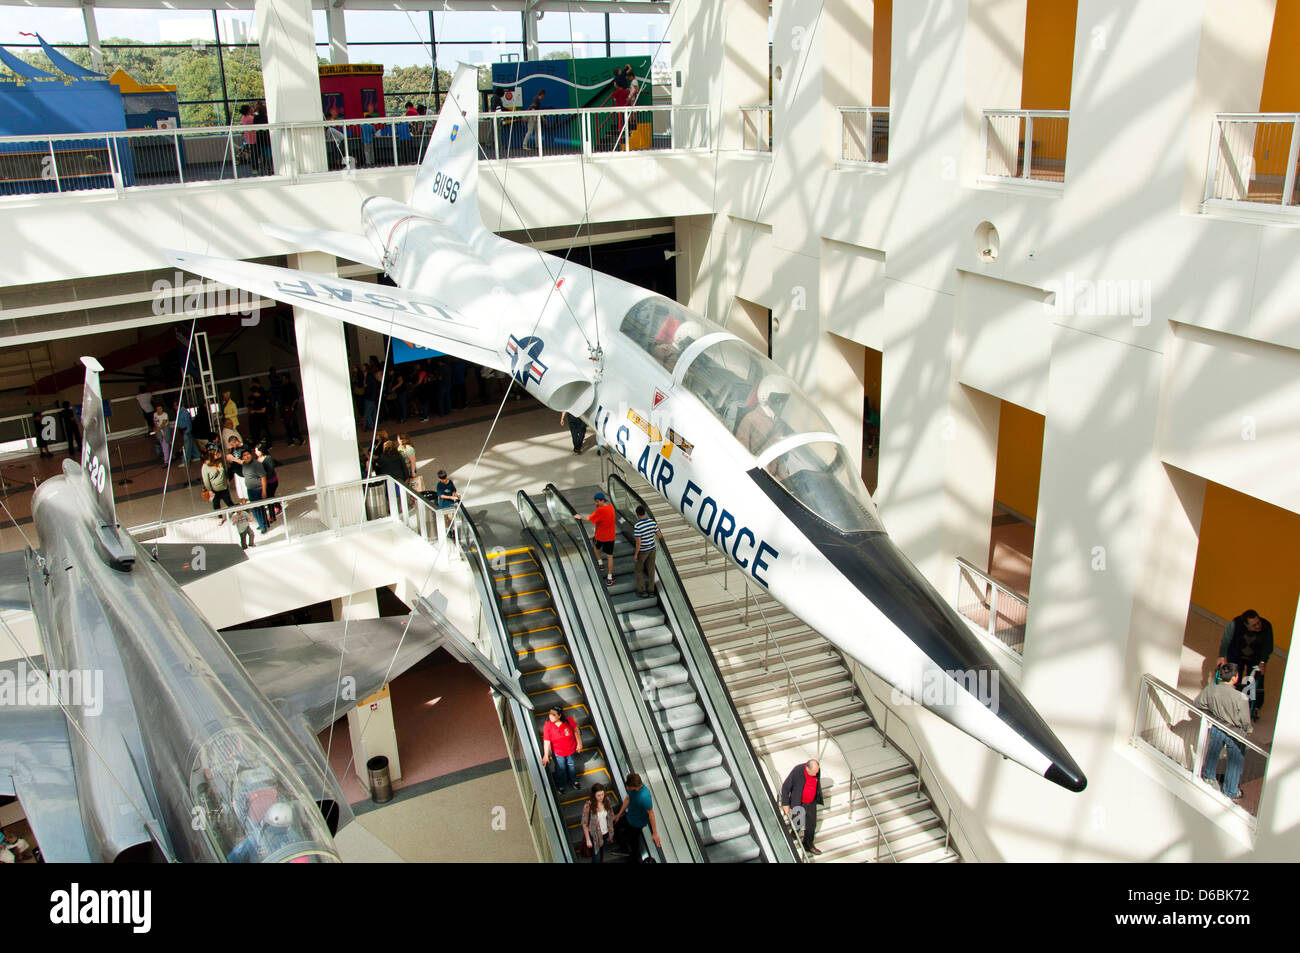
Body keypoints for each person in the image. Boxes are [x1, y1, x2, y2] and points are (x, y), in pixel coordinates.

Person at [1195, 663, 1253, 800]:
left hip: (1217, 726)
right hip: (1235, 733)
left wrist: (1212, 714)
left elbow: (1198, 703)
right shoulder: (1240, 697)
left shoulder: (1211, 690)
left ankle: (1209, 777)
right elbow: (1245, 720)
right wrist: (1248, 729)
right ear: (1235, 677)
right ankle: (1231, 790)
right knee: (1235, 760)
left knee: (1213, 752)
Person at [1217, 610, 1273, 720]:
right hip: (1236, 654)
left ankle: (1253, 707)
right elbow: (1226, 640)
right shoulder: (1235, 624)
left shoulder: (1266, 626)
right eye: (1254, 625)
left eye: (1258, 622)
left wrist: (1263, 662)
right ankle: (1230, 702)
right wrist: (1221, 656)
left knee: (1254, 681)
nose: (1258, 626)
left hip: (1255, 657)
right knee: (1233, 678)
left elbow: (1268, 646)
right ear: (1246, 625)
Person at [780, 759, 824, 855]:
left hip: (811, 802)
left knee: (811, 825)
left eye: (817, 771)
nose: (817, 773)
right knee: (798, 821)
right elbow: (785, 787)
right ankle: (794, 833)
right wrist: (785, 804)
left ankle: (808, 844)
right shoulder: (798, 771)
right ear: (808, 769)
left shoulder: (816, 771)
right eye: (815, 772)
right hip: (799, 802)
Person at [614, 772, 660, 861]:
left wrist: (655, 833)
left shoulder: (644, 797)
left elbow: (651, 814)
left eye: (629, 787)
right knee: (616, 826)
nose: (627, 788)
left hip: (637, 823)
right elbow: (628, 798)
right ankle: (624, 848)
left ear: (637, 787)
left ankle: (633, 857)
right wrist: (619, 814)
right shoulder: (631, 789)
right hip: (629, 816)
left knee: (634, 843)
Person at [576, 491, 616, 587]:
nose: (596, 503)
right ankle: (609, 578)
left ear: (602, 500)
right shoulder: (611, 507)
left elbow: (588, 519)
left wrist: (579, 516)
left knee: (595, 546)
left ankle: (600, 563)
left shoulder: (600, 510)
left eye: (598, 502)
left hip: (600, 536)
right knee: (610, 557)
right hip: (611, 537)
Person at [540, 706, 582, 793]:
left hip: (570, 750)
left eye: (553, 715)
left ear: (559, 716)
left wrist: (579, 743)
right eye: (550, 714)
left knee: (571, 765)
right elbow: (546, 741)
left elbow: (576, 730)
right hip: (558, 752)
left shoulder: (567, 720)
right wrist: (545, 755)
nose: (550, 716)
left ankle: (573, 780)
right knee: (560, 769)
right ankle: (561, 785)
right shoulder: (548, 725)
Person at [581, 783, 619, 862]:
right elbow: (585, 823)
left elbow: (610, 814)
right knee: (596, 857)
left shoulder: (606, 800)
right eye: (598, 795)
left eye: (602, 794)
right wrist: (588, 839)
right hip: (594, 835)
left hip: (605, 833)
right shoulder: (589, 805)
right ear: (594, 795)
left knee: (601, 853)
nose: (601, 797)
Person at [632, 504, 662, 598]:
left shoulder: (637, 526)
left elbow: (638, 541)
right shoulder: (652, 522)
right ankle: (651, 591)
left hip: (643, 550)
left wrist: (636, 555)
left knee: (638, 570)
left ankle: (642, 591)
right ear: (644, 513)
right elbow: (659, 535)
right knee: (651, 569)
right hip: (652, 548)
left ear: (637, 514)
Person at [240, 448, 270, 533]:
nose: (246, 456)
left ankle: (262, 526)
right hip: (250, 490)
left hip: (258, 490)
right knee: (257, 508)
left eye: (247, 454)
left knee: (257, 509)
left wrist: (264, 491)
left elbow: (263, 477)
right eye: (244, 455)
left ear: (251, 454)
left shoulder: (257, 464)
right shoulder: (244, 464)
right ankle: (264, 523)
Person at [201, 450, 235, 523]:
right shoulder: (205, 466)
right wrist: (209, 490)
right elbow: (206, 480)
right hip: (214, 489)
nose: (218, 454)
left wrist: (227, 479)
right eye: (216, 454)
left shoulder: (219, 461)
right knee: (216, 504)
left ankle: (234, 513)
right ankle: (220, 517)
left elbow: (224, 471)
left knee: (229, 501)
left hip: (224, 486)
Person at [255, 443, 280, 523]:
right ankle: (278, 505)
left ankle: (272, 516)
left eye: (256, 450)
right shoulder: (258, 459)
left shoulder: (268, 459)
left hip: (271, 482)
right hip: (265, 482)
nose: (255, 452)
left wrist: (263, 478)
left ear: (261, 451)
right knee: (271, 497)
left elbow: (270, 472)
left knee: (269, 498)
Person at [279, 372, 303, 445]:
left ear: (287, 378)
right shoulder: (282, 387)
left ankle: (300, 439)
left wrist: (292, 406)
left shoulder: (292, 385)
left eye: (283, 378)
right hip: (285, 407)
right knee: (287, 424)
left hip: (292, 408)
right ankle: (291, 439)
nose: (282, 380)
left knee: (294, 423)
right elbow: (282, 398)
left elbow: (296, 397)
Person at [174, 397, 200, 464]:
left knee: (187, 447)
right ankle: (197, 455)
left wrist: (187, 431)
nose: (174, 407)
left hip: (186, 431)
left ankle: (185, 461)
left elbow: (188, 422)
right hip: (184, 431)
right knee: (192, 444)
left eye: (175, 405)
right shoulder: (179, 412)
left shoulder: (184, 412)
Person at [246, 382, 269, 447]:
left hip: (262, 417)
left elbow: (263, 410)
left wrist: (255, 411)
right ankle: (258, 443)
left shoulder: (261, 399)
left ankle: (268, 443)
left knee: (265, 430)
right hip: (257, 418)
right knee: (257, 431)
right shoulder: (255, 399)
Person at [152, 402, 173, 468]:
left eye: (160, 409)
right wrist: (157, 429)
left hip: (165, 432)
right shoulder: (155, 414)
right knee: (164, 446)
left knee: (165, 446)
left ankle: (166, 461)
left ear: (162, 409)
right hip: (159, 433)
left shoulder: (165, 415)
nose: (159, 410)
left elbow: (164, 423)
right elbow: (155, 422)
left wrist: (159, 428)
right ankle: (171, 456)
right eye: (157, 409)